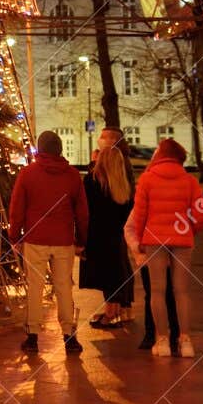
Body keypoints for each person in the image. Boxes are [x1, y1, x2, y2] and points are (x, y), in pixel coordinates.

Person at [8, 130, 89, 355]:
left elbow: (17, 209)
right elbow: (82, 212)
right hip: (63, 240)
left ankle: (32, 336)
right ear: (60, 149)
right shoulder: (72, 175)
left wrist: (15, 236)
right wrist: (81, 240)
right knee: (64, 287)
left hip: (35, 239)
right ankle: (69, 335)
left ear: (39, 149)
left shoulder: (27, 174)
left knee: (35, 287)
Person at [125, 137, 203, 358]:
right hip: (182, 240)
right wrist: (190, 230)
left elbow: (140, 214)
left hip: (154, 240)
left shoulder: (147, 180)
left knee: (157, 292)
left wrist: (141, 239)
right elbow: (200, 215)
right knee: (181, 292)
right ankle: (185, 341)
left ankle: (162, 341)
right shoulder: (190, 181)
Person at [82, 128, 136, 328]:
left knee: (108, 275)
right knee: (116, 271)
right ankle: (116, 309)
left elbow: (86, 208)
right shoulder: (122, 184)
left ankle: (111, 311)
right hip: (116, 234)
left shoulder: (93, 181)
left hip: (98, 234)